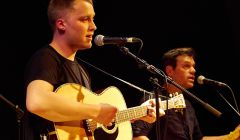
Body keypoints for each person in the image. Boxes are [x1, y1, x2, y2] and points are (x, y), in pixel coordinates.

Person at [21, 0, 161, 140]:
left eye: (92, 19)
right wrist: (97, 111)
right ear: (61, 24)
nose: (93, 26)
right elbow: (37, 102)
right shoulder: (46, 58)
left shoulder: (82, 71)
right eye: (84, 19)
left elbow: (87, 123)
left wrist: (137, 113)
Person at [132, 47, 239, 140]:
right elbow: (137, 136)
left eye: (193, 66)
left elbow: (199, 138)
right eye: (186, 66)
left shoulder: (187, 105)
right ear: (169, 71)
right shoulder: (153, 99)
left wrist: (231, 137)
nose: (193, 70)